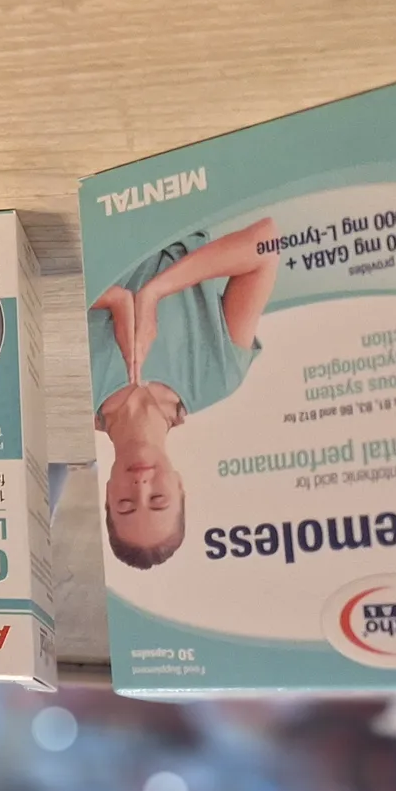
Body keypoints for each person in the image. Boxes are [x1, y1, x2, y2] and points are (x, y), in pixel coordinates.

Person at [92, 218, 278, 570]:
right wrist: (155, 292)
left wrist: (113, 300)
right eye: (158, 499)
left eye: (127, 504)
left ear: (108, 495)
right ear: (179, 488)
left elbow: (29, 293)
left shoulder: (74, 397)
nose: (141, 484)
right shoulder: (217, 377)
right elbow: (265, 244)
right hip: (166, 204)